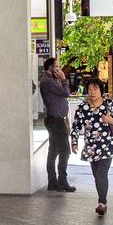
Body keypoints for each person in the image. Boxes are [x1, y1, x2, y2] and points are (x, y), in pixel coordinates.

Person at [71, 78, 113, 216]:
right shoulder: (83, 108)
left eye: (95, 89)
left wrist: (111, 120)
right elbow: (76, 126)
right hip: (91, 147)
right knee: (96, 175)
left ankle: (102, 203)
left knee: (101, 173)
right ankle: (102, 200)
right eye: (89, 89)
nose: (92, 92)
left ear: (101, 90)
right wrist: (74, 142)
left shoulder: (109, 104)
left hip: (107, 145)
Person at [40, 57, 76, 192]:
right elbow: (66, 93)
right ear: (50, 68)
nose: (59, 70)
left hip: (56, 119)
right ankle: (62, 182)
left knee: (53, 150)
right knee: (65, 150)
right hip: (55, 120)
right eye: (57, 67)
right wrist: (64, 79)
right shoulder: (48, 81)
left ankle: (53, 181)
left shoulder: (52, 81)